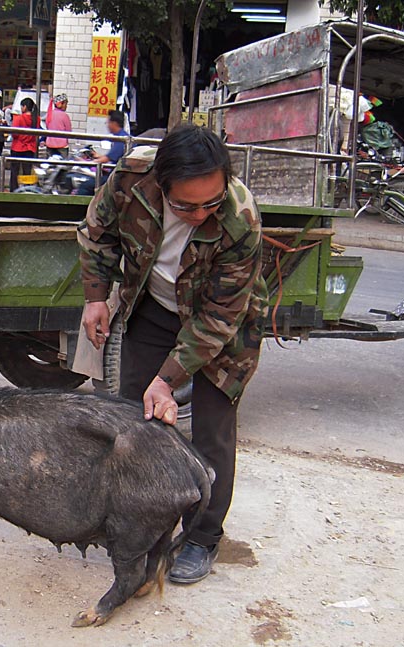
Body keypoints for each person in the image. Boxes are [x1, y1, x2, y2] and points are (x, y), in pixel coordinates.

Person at [77, 123, 268, 585]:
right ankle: (139, 525)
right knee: (133, 417)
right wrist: (96, 295)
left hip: (224, 326)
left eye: (211, 202)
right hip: (156, 308)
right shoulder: (130, 178)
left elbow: (219, 320)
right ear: (160, 186)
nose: (201, 213)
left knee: (212, 432)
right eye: (186, 205)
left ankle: (202, 535)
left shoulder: (240, 217)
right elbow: (95, 234)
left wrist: (169, 378)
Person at [76, 110, 129, 196]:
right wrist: (97, 156)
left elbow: (106, 159)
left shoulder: (121, 139)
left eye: (108, 123)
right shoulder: (121, 136)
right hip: (115, 173)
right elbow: (112, 156)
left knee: (85, 186)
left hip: (115, 177)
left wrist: (88, 163)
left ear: (114, 123)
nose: (107, 125)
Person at [9, 97, 39, 191]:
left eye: (22, 106)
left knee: (15, 171)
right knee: (27, 171)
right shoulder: (36, 119)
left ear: (25, 107)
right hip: (30, 147)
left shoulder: (19, 118)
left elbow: (14, 134)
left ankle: (14, 189)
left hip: (17, 147)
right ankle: (27, 189)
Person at [45, 93, 72, 158]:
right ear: (61, 104)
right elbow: (69, 131)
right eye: (65, 104)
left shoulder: (49, 114)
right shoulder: (65, 116)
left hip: (50, 144)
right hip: (62, 146)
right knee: (62, 166)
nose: (66, 106)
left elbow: (47, 126)